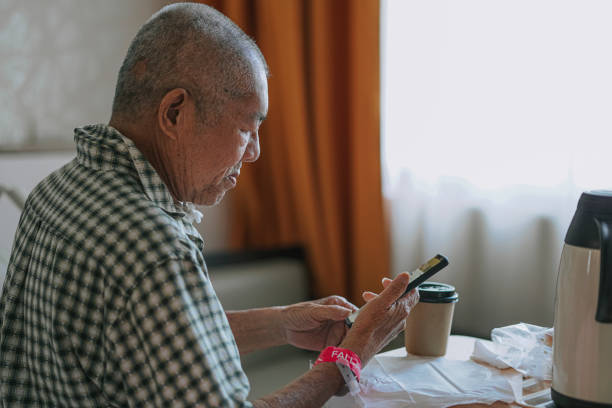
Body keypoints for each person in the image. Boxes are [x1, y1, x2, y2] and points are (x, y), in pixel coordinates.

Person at [0, 3, 418, 407]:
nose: (254, 152)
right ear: (175, 112)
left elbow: (153, 342)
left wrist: (280, 322)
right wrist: (349, 357)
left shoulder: (53, 191)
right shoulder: (155, 247)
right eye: (245, 127)